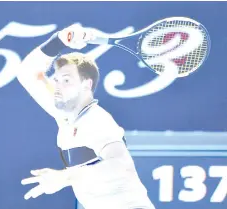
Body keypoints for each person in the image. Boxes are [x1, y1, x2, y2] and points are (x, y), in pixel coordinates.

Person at [18, 24, 155, 209]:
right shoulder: (65, 116)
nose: (57, 86)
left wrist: (64, 177)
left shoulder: (97, 120)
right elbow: (27, 73)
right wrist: (58, 40)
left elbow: (120, 164)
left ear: (86, 84)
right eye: (56, 79)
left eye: (66, 80)